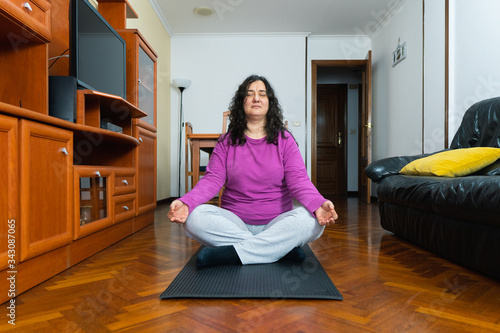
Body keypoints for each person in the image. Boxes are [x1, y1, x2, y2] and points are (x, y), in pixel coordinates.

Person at [168, 74, 338, 267]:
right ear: (242, 102)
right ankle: (278, 250)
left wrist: (318, 203)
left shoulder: (285, 140)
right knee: (194, 219)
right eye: (250, 94)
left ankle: (233, 254)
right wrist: (187, 202)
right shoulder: (226, 142)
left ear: (269, 102)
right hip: (235, 224)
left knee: (312, 221)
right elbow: (211, 180)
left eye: (262, 94)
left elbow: (299, 181)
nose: (256, 98)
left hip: (277, 222)